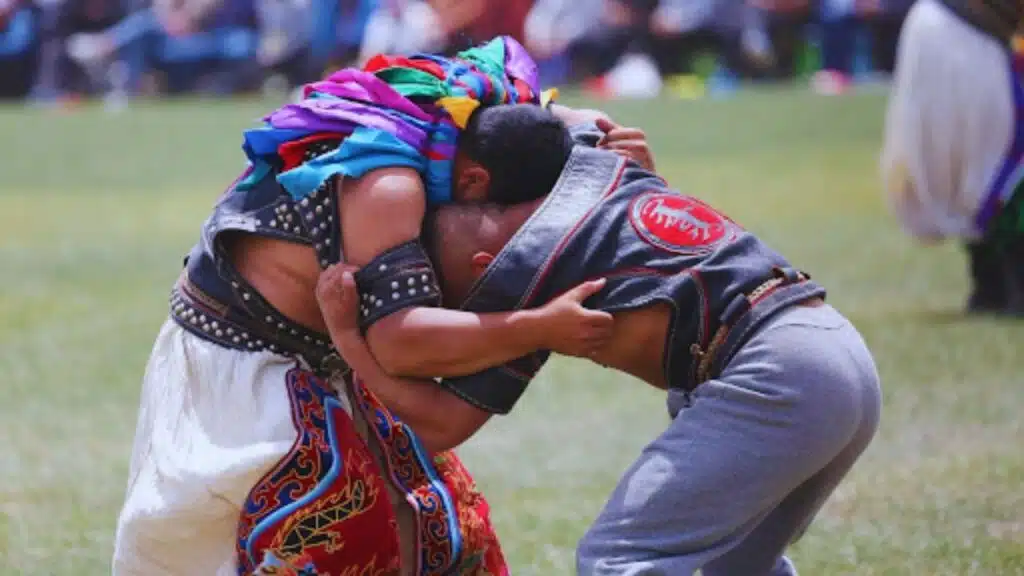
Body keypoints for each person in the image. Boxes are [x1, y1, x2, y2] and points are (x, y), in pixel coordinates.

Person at [112, 39, 637, 575]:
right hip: (247, 364)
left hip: (332, 352)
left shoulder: (484, 103)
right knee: (332, 528)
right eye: (503, 212)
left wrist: (599, 143)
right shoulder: (390, 188)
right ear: (475, 181)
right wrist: (536, 328)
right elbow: (400, 340)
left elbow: (564, 117)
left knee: (437, 527)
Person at [318, 117, 882, 575]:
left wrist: (348, 338)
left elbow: (440, 425)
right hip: (833, 345)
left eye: (452, 297)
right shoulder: (600, 165)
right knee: (739, 564)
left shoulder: (519, 283)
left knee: (619, 559)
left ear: (483, 268)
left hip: (775, 376)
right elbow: (572, 118)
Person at [881, 0, 1024, 315]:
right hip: (964, 35)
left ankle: (992, 284)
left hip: (949, 32)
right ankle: (1002, 281)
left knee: (979, 171)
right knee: (995, 168)